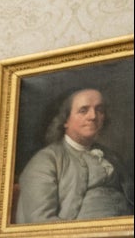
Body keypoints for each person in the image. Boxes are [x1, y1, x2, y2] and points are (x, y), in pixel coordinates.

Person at [14, 87, 134, 224]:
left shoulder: (112, 157)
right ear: (65, 120)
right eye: (83, 110)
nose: (93, 116)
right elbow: (39, 220)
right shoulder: (45, 161)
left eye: (99, 110)